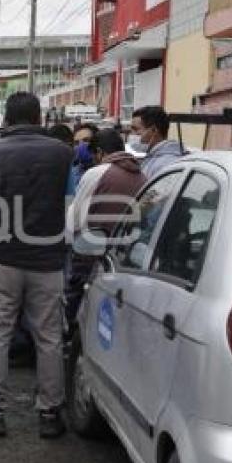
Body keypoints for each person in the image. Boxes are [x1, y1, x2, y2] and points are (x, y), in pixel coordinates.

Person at [0, 91, 75, 439]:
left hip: (2, 259)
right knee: (49, 337)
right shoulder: (63, 154)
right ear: (40, 118)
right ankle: (50, 415)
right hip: (48, 261)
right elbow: (69, 208)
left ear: (7, 120)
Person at [64, 129, 146, 336]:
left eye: (93, 156)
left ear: (99, 152)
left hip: (90, 254)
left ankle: (70, 344)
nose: (93, 161)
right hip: (126, 258)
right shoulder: (142, 175)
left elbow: (75, 217)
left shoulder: (97, 173)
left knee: (77, 306)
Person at [130, 105, 183, 179]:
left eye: (136, 129)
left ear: (154, 130)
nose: (132, 134)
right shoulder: (153, 157)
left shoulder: (165, 163)